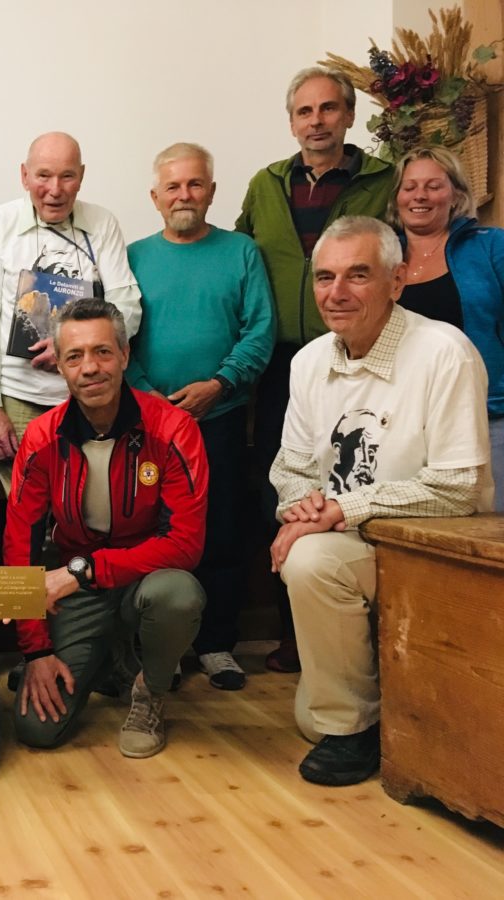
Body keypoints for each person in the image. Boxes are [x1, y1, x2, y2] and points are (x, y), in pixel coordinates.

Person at [270, 216, 492, 786]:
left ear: (397, 281)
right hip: (348, 545)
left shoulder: (445, 352)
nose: (336, 293)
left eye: (358, 275)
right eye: (325, 277)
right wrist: (302, 508)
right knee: (309, 720)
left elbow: (457, 487)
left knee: (309, 558)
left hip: (430, 550)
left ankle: (354, 726)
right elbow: (291, 469)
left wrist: (341, 509)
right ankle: (358, 719)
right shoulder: (308, 361)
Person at [235, 66, 394, 673]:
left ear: (349, 116)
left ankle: (370, 635)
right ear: (291, 122)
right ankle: (295, 633)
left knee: (360, 475)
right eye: (305, 111)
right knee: (282, 487)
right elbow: (240, 258)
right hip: (283, 365)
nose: (317, 121)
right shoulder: (266, 183)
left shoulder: (384, 179)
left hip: (364, 353)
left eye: (329, 108)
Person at [5, 297, 207, 758]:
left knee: (178, 595)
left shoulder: (174, 430)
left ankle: (150, 691)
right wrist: (36, 651)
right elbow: (20, 546)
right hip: (79, 588)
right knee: (37, 729)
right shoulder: (41, 437)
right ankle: (110, 659)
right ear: (59, 366)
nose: (90, 368)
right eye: (75, 356)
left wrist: (84, 570)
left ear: (125, 355)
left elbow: (185, 545)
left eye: (102, 352)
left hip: (144, 577)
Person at [127, 143, 275, 690]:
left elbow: (260, 329)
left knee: (221, 530)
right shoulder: (133, 257)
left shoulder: (241, 252)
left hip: (221, 417)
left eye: (194, 184)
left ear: (212, 191)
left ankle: (216, 645)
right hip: (149, 423)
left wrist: (220, 384)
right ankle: (160, 646)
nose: (184, 195)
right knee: (152, 530)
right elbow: (119, 337)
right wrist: (149, 398)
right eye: (173, 186)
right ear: (155, 197)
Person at [0, 131, 141, 492]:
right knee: (26, 505)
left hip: (89, 394)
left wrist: (71, 349)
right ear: (24, 175)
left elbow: (127, 305)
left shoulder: (102, 223)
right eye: (43, 175)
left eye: (67, 176)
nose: (55, 189)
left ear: (81, 176)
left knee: (92, 502)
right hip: (18, 397)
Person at [388, 146, 504, 511]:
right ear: (397, 197)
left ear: (455, 194)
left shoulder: (491, 245)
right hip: (406, 422)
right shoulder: (382, 257)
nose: (419, 196)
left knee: (492, 529)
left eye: (433, 186)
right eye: (410, 187)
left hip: (487, 417)